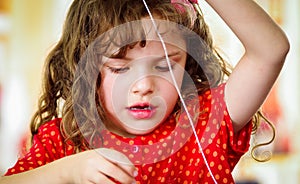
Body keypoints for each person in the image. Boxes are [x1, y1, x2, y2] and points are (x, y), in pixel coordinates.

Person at [0, 0, 289, 183]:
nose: (143, 86)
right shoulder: (63, 142)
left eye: (164, 66)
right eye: (120, 68)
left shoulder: (204, 124)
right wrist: (65, 173)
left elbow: (270, 50)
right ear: (86, 71)